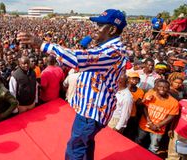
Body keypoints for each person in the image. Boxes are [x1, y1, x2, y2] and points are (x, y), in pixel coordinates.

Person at [18, 9, 128, 160]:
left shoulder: (113, 51)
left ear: (112, 29)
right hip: (90, 108)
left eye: (100, 25)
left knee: (75, 149)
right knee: (85, 144)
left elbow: (77, 59)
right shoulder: (106, 47)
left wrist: (41, 44)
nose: (95, 28)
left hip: (91, 112)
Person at [135, 79, 179, 154]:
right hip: (144, 125)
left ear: (168, 89)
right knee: (138, 142)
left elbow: (171, 116)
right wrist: (149, 122)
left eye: (165, 87)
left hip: (159, 129)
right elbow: (144, 108)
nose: (162, 89)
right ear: (156, 87)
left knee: (153, 147)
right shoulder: (150, 95)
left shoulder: (174, 102)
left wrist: (157, 125)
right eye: (160, 86)